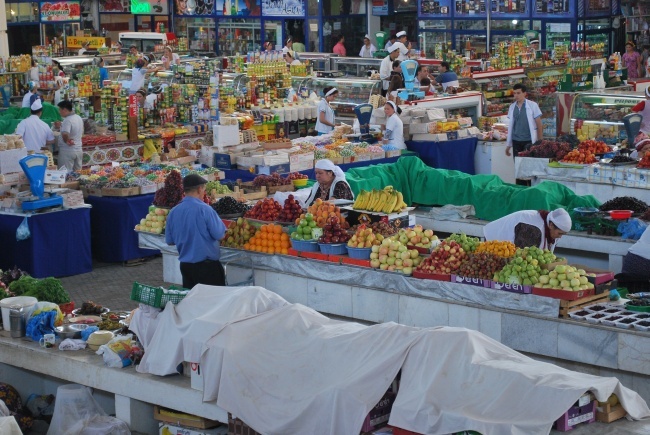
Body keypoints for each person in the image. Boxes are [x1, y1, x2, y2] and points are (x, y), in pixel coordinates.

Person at [165, 174, 227, 289]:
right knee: (214, 303)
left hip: (186, 267)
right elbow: (220, 235)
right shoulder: (205, 209)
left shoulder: (173, 212)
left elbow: (169, 241)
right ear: (199, 189)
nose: (204, 193)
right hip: (207, 268)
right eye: (204, 189)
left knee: (192, 302)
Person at [483, 208, 572, 252]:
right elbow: (522, 255)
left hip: (507, 248)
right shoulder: (533, 229)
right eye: (560, 233)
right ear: (551, 225)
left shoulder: (549, 226)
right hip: (493, 241)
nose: (560, 237)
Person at [505, 83, 543, 158]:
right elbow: (511, 126)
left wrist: (540, 141)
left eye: (518, 93)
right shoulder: (512, 107)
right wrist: (508, 145)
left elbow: (539, 124)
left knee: (528, 164)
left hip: (529, 141)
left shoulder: (533, 105)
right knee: (517, 164)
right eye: (514, 93)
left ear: (524, 93)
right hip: (516, 141)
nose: (516, 95)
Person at [56, 100, 84, 171]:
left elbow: (65, 134)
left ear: (64, 109)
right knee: (77, 173)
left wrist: (67, 141)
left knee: (65, 173)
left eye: (60, 110)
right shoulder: (78, 117)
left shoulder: (67, 120)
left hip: (67, 151)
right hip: (78, 149)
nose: (59, 112)